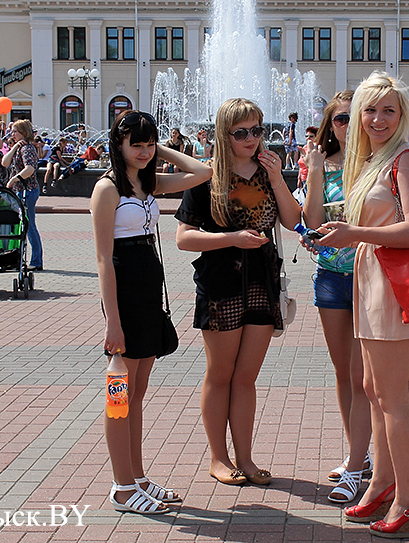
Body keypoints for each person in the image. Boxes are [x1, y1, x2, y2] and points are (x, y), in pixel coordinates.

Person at [314, 72, 409, 539]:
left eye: (389, 110)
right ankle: (382, 481)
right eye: (370, 109)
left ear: (403, 115)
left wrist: (355, 233)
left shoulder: (405, 160)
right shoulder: (371, 161)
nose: (378, 118)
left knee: (393, 397)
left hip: (390, 285)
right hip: (368, 280)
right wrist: (341, 230)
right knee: (372, 387)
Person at [176, 98, 302, 488]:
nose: (252, 139)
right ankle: (219, 458)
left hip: (262, 282)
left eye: (258, 130)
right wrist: (230, 237)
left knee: (246, 377)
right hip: (221, 283)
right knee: (220, 374)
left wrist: (279, 178)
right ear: (224, 135)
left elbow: (294, 220)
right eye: (241, 133)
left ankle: (245, 458)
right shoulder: (207, 176)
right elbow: (183, 238)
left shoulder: (268, 172)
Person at [91, 109, 211, 514]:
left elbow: (201, 172)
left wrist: (158, 148)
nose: (143, 152)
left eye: (148, 144)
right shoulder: (107, 189)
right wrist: (113, 322)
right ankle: (122, 487)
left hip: (147, 294)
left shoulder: (147, 182)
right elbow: (104, 260)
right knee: (119, 394)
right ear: (118, 143)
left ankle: (137, 477)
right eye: (135, 144)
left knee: (137, 392)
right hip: (123, 296)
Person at [302, 90, 373, 504]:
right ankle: (357, 456)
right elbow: (312, 220)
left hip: (371, 276)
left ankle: (357, 462)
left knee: (364, 376)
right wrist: (313, 171)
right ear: (330, 125)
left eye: (354, 116)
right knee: (344, 373)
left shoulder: (378, 162)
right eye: (340, 119)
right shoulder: (323, 165)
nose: (348, 125)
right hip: (331, 275)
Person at [1, 120, 44, 271]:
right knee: (21, 225)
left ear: (24, 133)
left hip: (28, 190)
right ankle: (17, 258)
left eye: (15, 132)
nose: (12, 134)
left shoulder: (27, 149)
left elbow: (30, 169)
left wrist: (14, 179)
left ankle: (36, 260)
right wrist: (13, 148)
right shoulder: (19, 147)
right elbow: (4, 163)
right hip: (19, 191)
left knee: (29, 225)